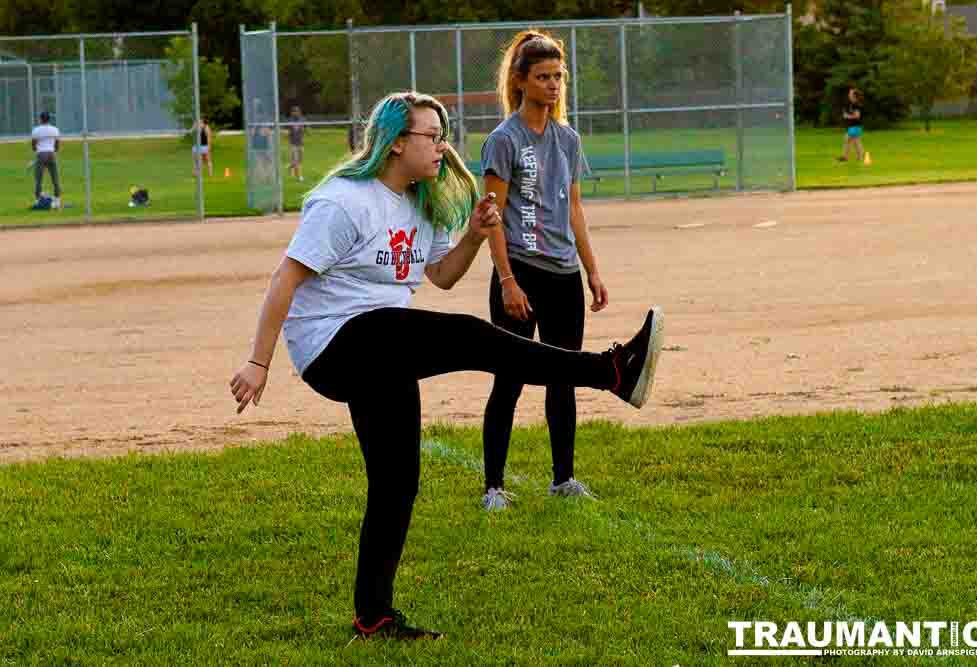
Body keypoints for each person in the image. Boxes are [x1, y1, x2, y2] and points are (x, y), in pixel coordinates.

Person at [228, 91, 665, 641]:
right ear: (395, 143)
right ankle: (611, 371)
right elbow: (285, 279)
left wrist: (476, 237)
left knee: (397, 484)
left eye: (443, 136)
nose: (441, 146)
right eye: (430, 136)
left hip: (384, 348)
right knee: (470, 337)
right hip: (334, 345)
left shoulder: (421, 202)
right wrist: (258, 361)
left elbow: (442, 276)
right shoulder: (344, 201)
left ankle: (373, 617)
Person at [478, 31, 608, 512]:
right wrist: (507, 280)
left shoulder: (568, 139)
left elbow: (574, 209)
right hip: (521, 273)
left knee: (564, 377)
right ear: (520, 80)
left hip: (563, 275)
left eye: (558, 76)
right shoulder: (504, 140)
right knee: (508, 379)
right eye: (543, 77)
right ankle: (494, 487)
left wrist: (592, 270)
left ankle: (564, 478)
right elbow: (492, 217)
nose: (553, 85)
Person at [31, 111, 61, 208]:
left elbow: (33, 145)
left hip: (41, 154)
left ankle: (37, 200)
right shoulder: (55, 129)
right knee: (55, 178)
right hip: (51, 153)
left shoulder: (36, 130)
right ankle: (57, 201)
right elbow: (57, 145)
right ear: (49, 119)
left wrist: (38, 152)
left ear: (41, 119)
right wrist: (53, 152)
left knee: (38, 179)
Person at [837, 87, 865, 163]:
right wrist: (846, 114)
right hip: (852, 126)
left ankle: (847, 157)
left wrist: (847, 116)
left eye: (850, 93)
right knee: (853, 141)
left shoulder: (856, 104)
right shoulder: (851, 104)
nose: (849, 94)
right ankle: (854, 157)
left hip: (855, 126)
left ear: (854, 95)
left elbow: (857, 116)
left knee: (852, 141)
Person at [288, 106, 306, 182]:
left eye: (297, 111)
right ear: (292, 113)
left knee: (300, 160)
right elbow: (287, 131)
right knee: (296, 160)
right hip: (293, 144)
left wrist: (304, 131)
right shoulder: (290, 120)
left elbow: (305, 129)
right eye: (294, 111)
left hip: (301, 143)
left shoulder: (302, 119)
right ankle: (299, 176)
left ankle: (291, 166)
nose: (296, 113)